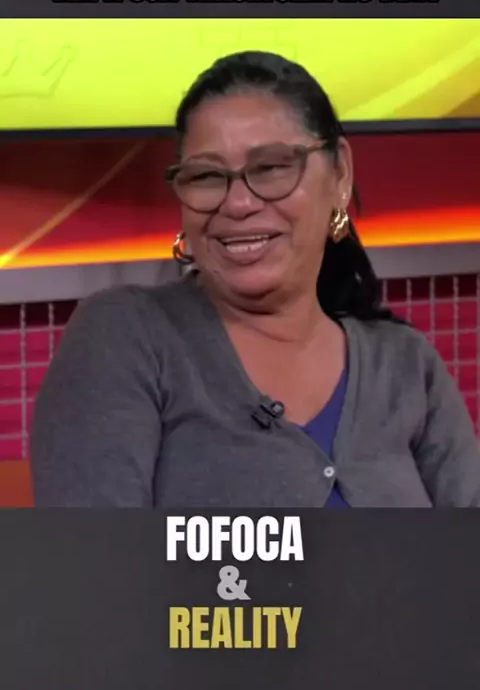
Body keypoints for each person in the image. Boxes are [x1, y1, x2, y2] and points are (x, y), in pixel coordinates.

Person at [31, 51, 480, 508]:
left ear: (340, 174)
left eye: (271, 168)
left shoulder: (406, 364)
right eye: (207, 176)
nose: (238, 204)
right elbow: (94, 551)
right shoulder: (126, 336)